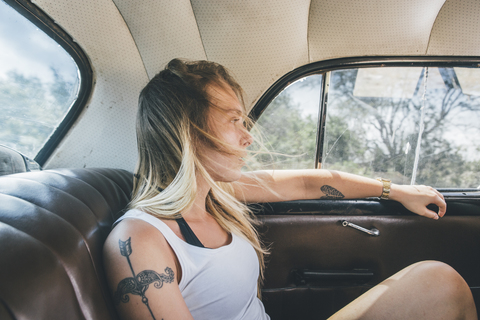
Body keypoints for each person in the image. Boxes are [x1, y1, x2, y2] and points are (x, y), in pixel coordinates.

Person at [103, 59, 477, 320]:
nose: (248, 137)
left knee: (439, 282)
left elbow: (309, 182)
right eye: (234, 120)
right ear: (186, 130)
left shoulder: (218, 195)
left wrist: (395, 190)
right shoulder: (139, 240)